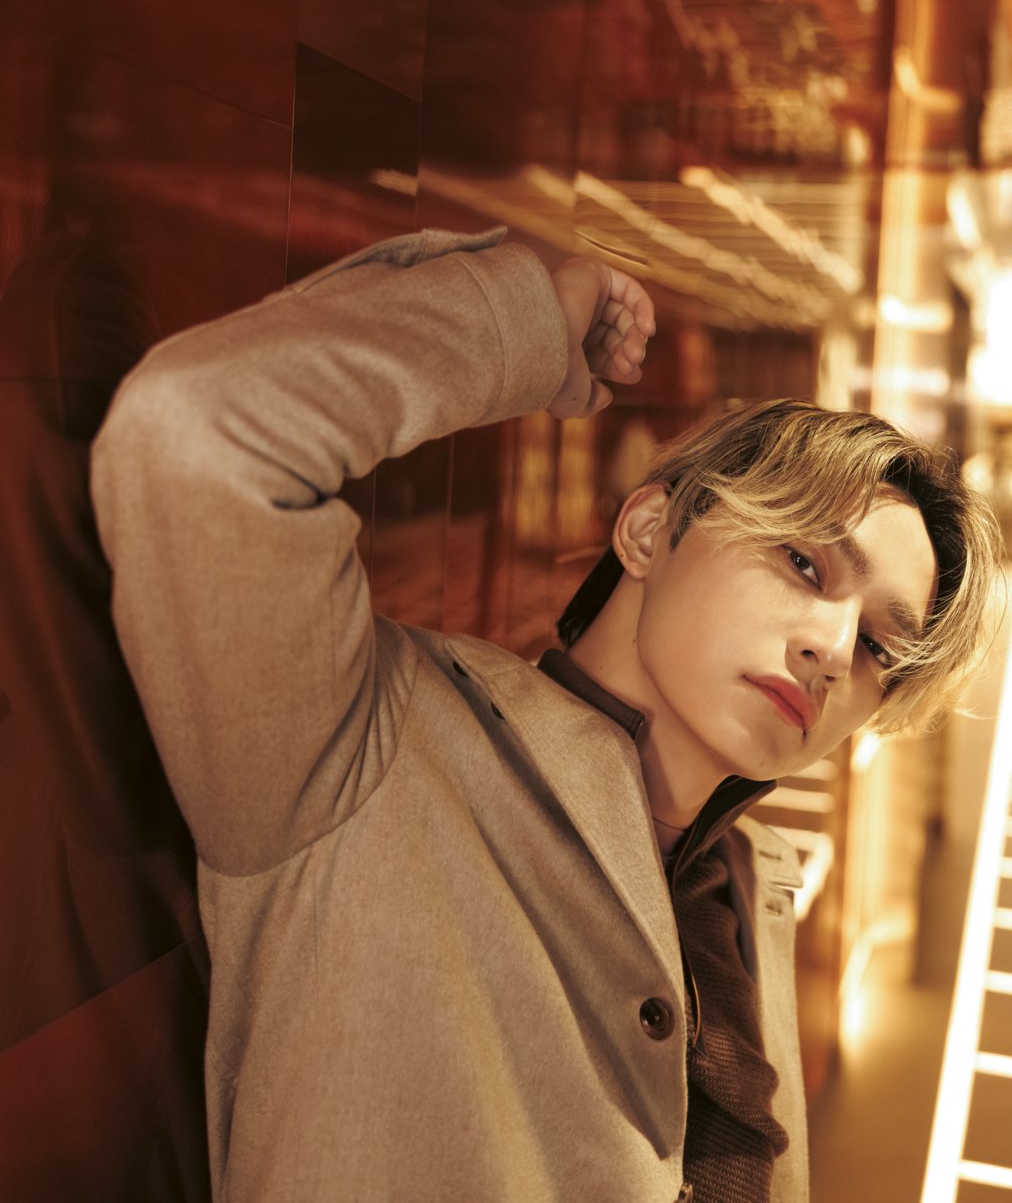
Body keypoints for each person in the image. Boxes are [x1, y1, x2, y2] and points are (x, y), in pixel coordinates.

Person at [90, 225, 1000, 1203]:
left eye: (878, 647)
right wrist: (524, 322)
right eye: (803, 562)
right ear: (650, 528)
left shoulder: (747, 891)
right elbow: (192, 433)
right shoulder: (369, 744)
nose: (831, 648)